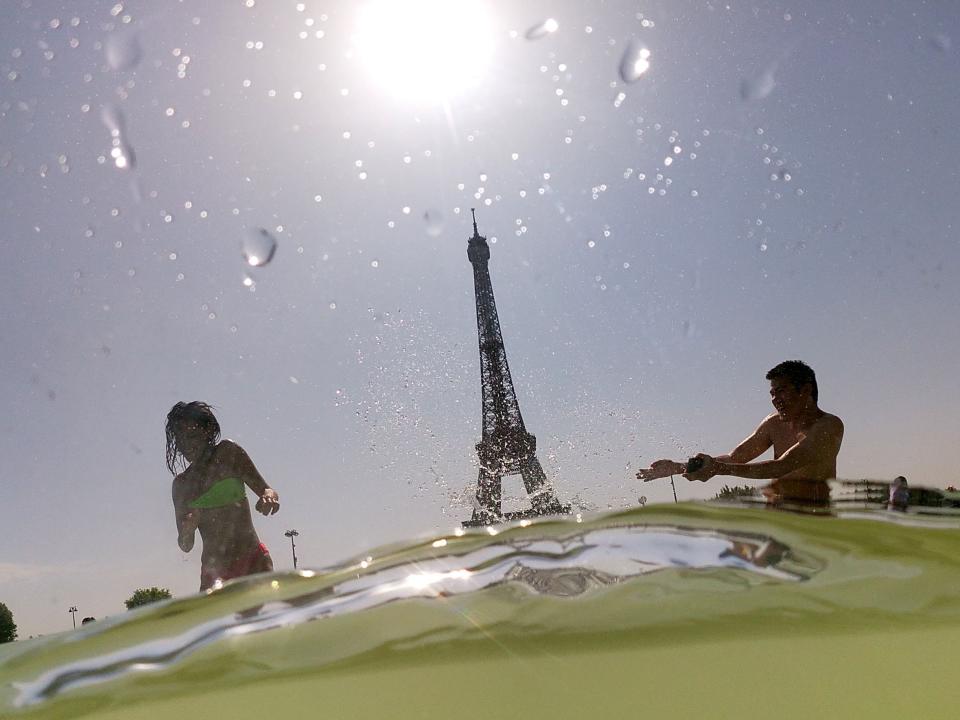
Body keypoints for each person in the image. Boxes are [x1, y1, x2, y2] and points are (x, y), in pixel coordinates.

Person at [636, 360, 844, 506]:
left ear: (806, 390)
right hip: (781, 517)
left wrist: (718, 468)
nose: (775, 399)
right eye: (772, 393)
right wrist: (678, 467)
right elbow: (736, 458)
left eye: (781, 391)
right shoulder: (773, 424)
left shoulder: (828, 426)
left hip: (817, 520)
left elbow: (782, 466)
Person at [166, 402, 280, 591]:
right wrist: (188, 529)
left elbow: (267, 490)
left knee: (270, 615)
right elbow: (185, 545)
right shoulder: (181, 485)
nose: (187, 446)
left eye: (192, 436)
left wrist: (269, 498)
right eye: (181, 441)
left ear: (208, 431)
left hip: (253, 561)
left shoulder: (228, 453)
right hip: (215, 575)